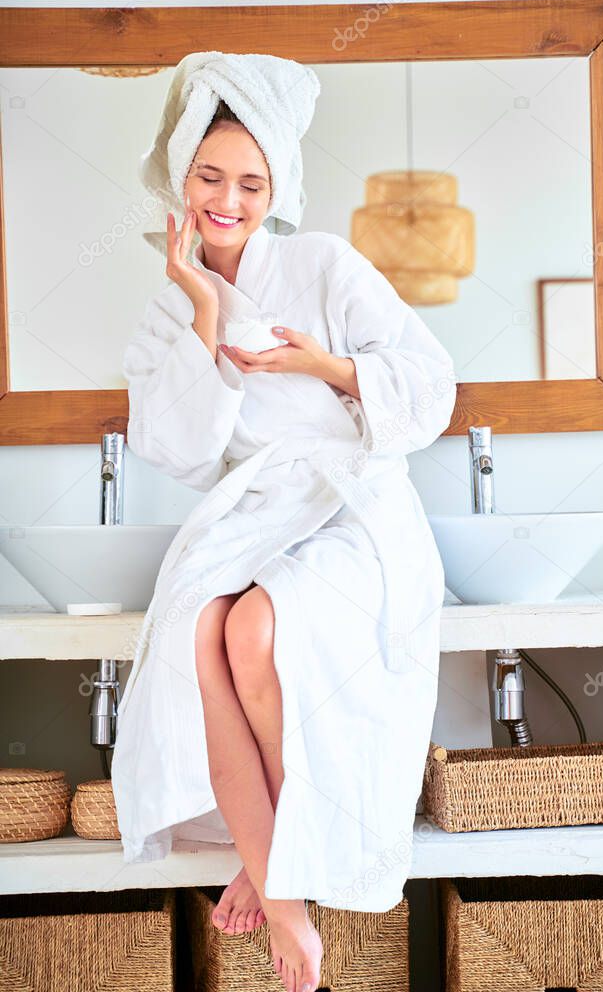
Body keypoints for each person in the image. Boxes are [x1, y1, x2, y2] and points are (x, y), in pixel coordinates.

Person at [111, 52, 456, 992]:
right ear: (179, 178)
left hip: (354, 504)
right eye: (210, 176)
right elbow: (179, 452)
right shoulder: (164, 311)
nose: (228, 199)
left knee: (255, 627)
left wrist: (328, 369)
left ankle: (272, 864)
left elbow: (428, 389)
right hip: (256, 512)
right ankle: (280, 875)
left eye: (251, 181)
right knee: (205, 629)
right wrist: (199, 305)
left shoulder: (323, 263)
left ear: (277, 187)